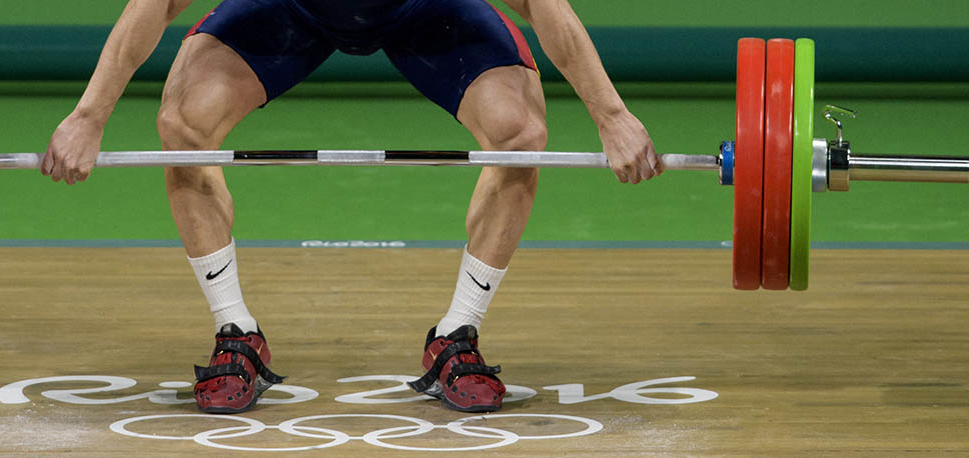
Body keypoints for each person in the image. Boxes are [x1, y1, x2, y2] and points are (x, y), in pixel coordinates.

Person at [43, 0, 662, 414]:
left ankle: (456, 335)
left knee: (519, 134)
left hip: (426, 8)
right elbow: (155, 4)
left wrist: (611, 115)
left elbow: (541, 6)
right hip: (290, 8)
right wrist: (89, 115)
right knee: (183, 124)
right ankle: (236, 333)